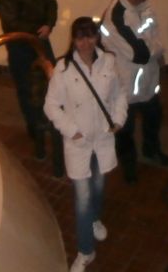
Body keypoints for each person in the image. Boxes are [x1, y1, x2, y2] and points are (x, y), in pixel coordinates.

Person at [44, 17, 127, 272]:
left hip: (102, 139)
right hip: (78, 144)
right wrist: (72, 130)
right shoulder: (63, 69)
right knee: (82, 198)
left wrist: (118, 119)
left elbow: (120, 94)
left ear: (97, 37)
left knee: (98, 188)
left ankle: (95, 219)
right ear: (73, 40)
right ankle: (85, 251)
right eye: (80, 37)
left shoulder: (108, 62)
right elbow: (51, 106)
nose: (86, 43)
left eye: (90, 36)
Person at [99, 0, 168, 182]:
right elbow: (139, 54)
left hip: (148, 82)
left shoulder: (142, 5)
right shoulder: (116, 18)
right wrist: (159, 50)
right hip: (127, 87)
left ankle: (152, 150)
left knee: (153, 119)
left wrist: (157, 53)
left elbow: (152, 34)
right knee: (125, 130)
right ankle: (129, 166)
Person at [0, 0, 61, 167]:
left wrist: (49, 24)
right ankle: (35, 128)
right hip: (21, 46)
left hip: (41, 40)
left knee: (51, 81)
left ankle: (52, 120)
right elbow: (11, 22)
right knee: (26, 89)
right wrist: (38, 30)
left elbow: (51, 2)